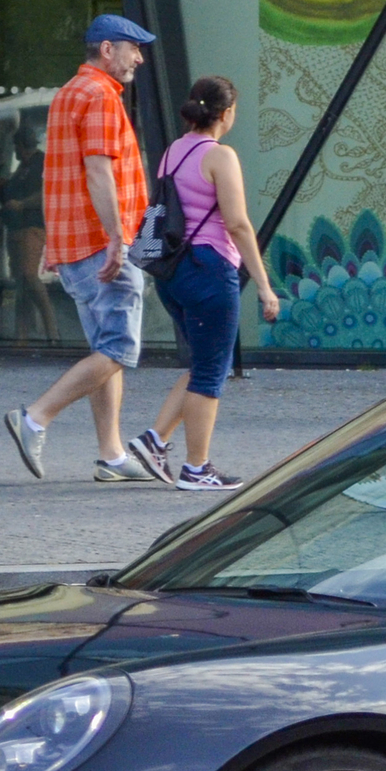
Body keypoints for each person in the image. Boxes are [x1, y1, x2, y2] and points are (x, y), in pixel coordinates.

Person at [5, 13, 157, 482]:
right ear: (107, 49)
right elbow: (97, 171)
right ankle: (34, 418)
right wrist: (116, 238)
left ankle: (111, 455)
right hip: (103, 245)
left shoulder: (70, 93)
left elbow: (67, 173)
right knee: (116, 350)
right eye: (134, 47)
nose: (140, 57)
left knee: (104, 352)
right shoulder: (100, 98)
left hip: (74, 244)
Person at [128, 77, 283, 492]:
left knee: (202, 362)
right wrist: (265, 286)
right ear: (227, 113)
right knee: (211, 374)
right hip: (210, 272)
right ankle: (197, 468)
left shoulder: (172, 153)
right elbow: (237, 224)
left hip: (173, 273)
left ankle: (155, 439)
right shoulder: (220, 156)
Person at [0, 122, 57, 344]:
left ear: (23, 145)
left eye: (16, 146)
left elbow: (47, 192)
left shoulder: (41, 163)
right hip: (15, 227)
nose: (14, 150)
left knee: (30, 276)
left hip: (32, 226)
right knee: (21, 282)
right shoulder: (21, 168)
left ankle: (52, 330)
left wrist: (21, 204)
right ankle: (21, 333)